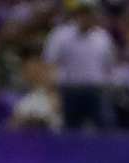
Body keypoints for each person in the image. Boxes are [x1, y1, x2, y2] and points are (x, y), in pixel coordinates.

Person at [42, 0, 117, 130]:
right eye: (82, 13)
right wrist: (52, 92)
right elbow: (50, 63)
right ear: (75, 15)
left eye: (89, 13)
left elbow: (109, 66)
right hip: (70, 90)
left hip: (96, 90)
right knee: (70, 129)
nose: (85, 17)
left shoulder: (102, 37)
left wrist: (107, 87)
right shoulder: (61, 35)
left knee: (106, 127)